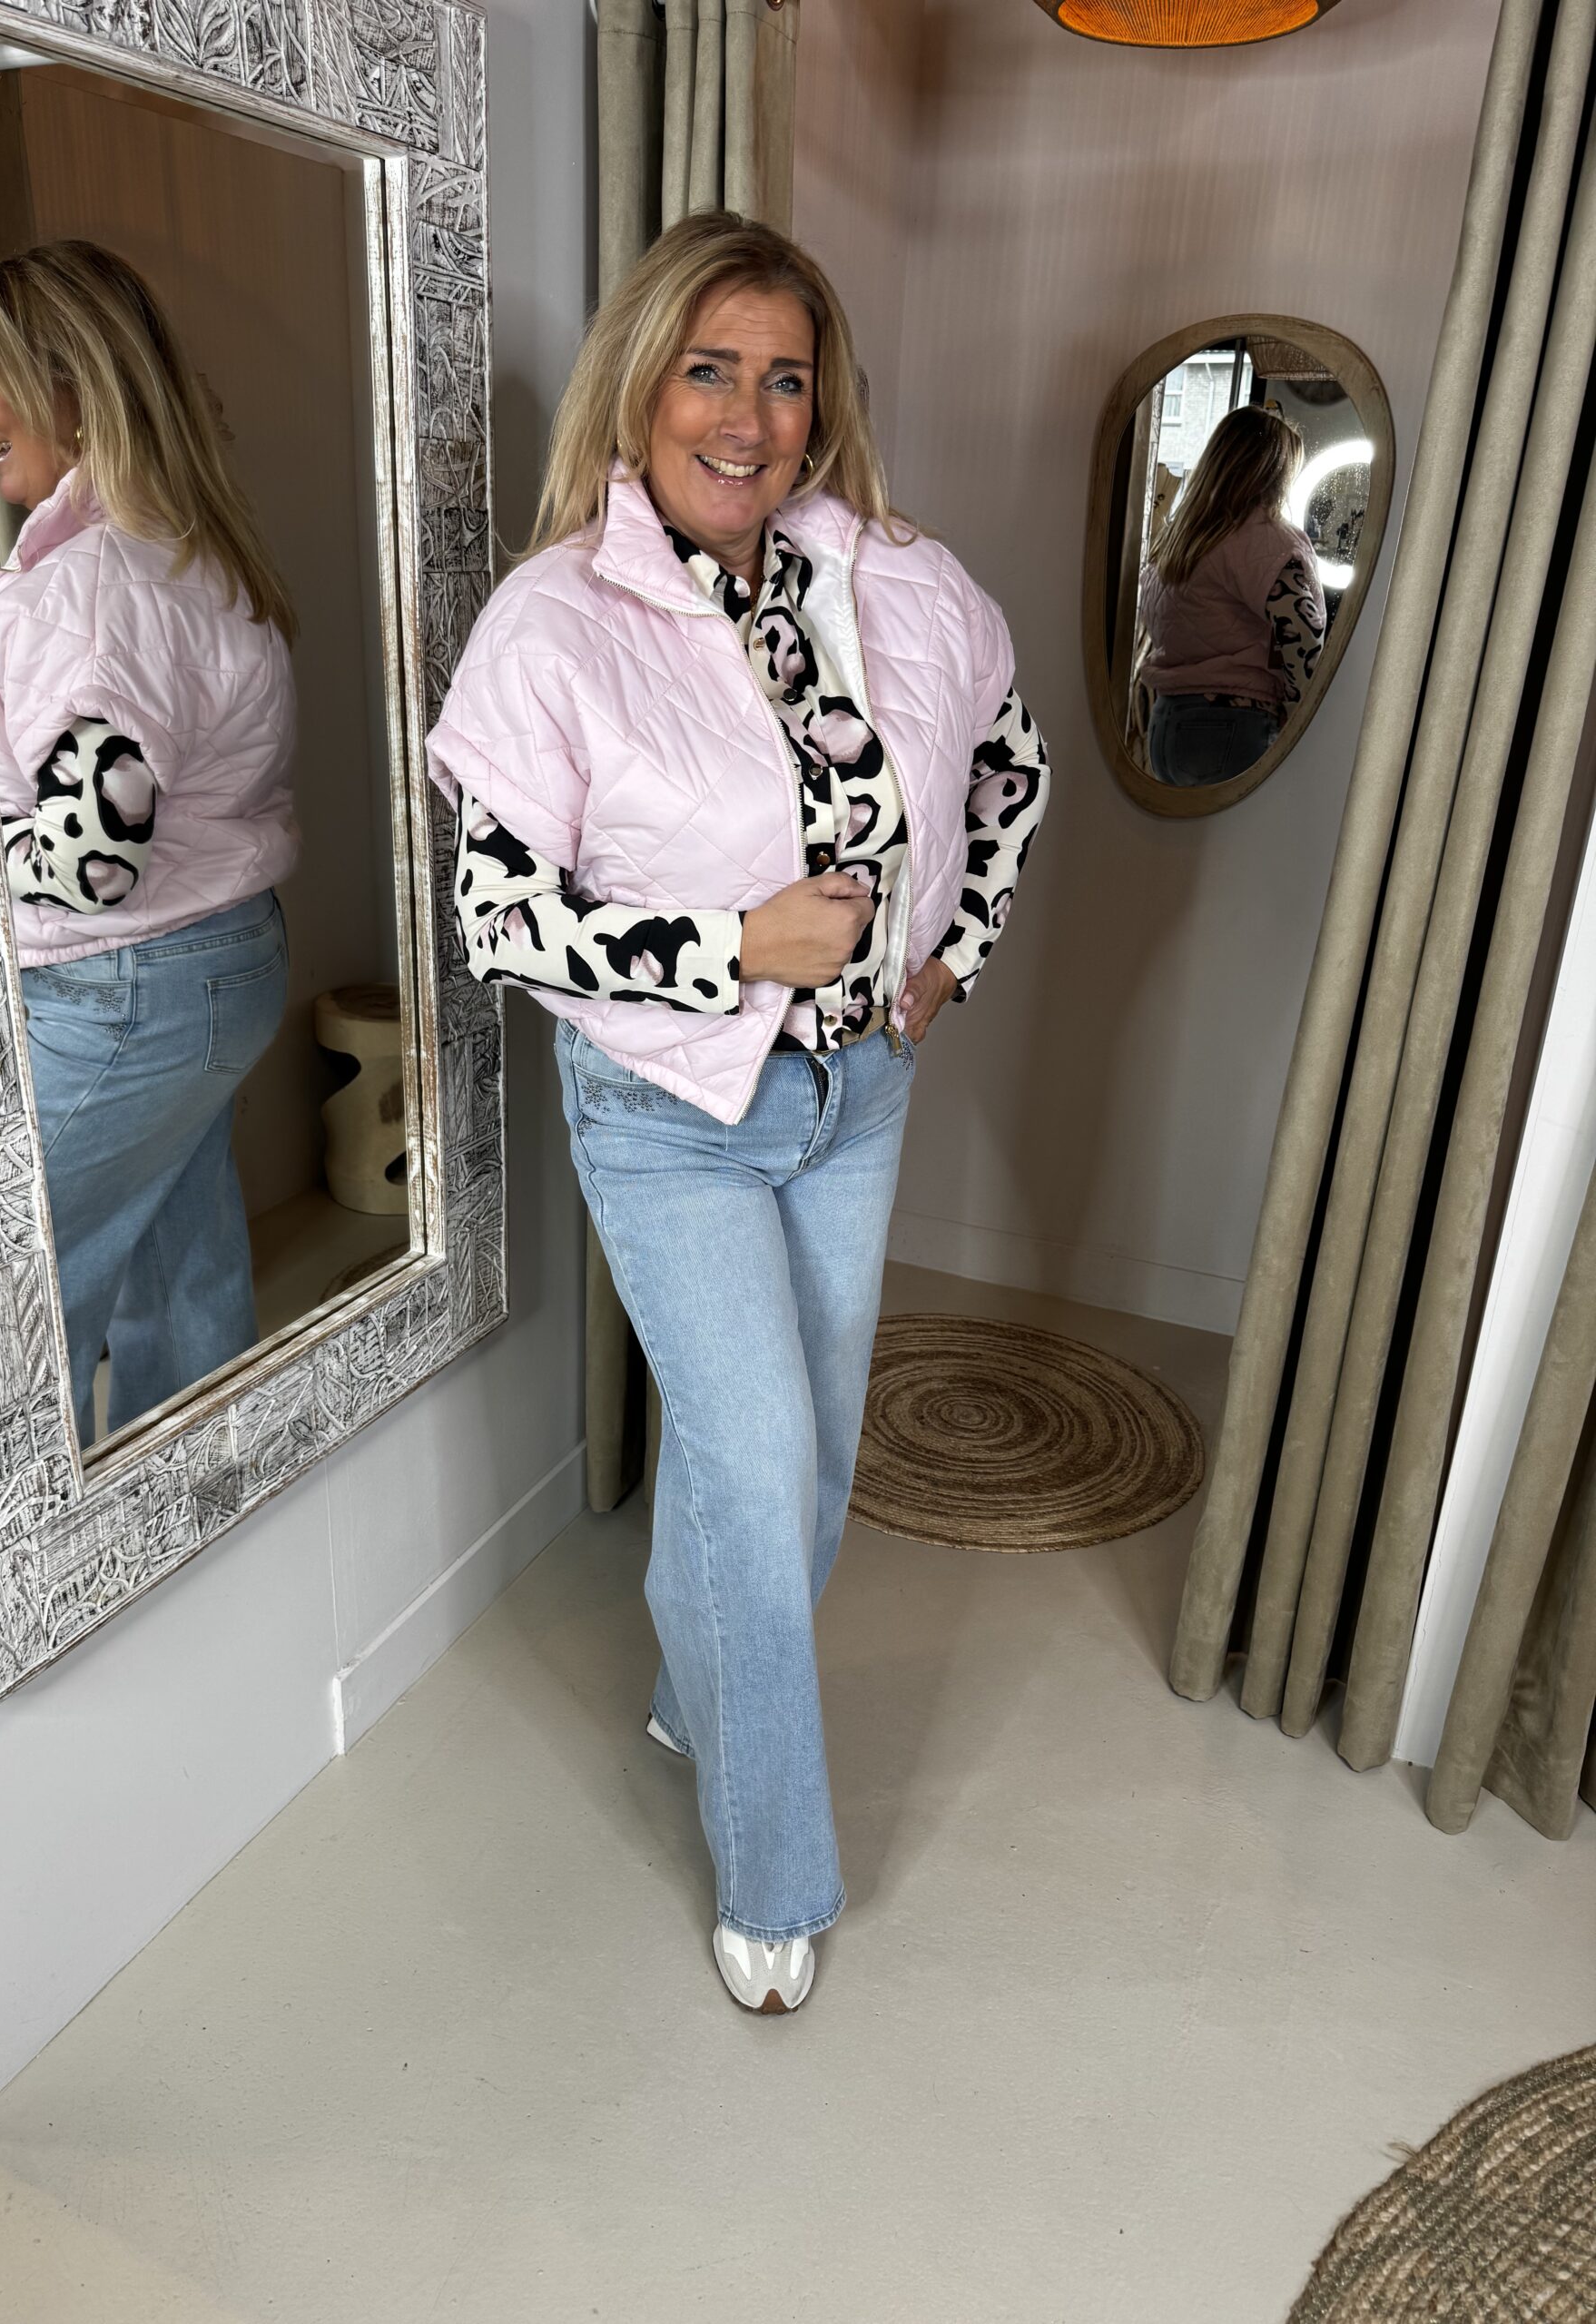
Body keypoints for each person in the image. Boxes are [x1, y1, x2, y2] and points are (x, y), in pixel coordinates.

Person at [427, 212, 1049, 2014]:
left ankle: (693, 1689)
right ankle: (777, 1871)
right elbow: (498, 911)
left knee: (804, 1462)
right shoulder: (556, 619)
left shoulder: (900, 581)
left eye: (786, 379)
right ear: (642, 388)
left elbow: (1008, 767)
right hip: (668, 1112)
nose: (749, 416)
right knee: (758, 1460)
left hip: (860, 1092)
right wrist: (733, 946)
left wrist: (958, 949)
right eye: (710, 370)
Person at [0, 241, 299, 1444]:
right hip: (215, 964)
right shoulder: (181, 551)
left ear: (74, 384)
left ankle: (39, 1541)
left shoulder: (88, 587)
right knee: (178, 1262)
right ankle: (208, 1498)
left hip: (123, 987)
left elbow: (91, 862)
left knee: (6, 1292)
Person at [1138, 405, 1326, 788]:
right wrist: (1300, 713)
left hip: (1166, 724)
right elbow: (1303, 639)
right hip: (1232, 723)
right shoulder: (1266, 540)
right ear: (1275, 474)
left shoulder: (1177, 541)